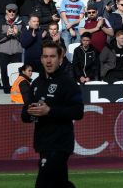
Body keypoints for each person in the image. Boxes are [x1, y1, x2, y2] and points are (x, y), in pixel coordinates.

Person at [20, 41, 84, 188]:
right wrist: (31, 112)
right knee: (60, 184)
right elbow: (25, 114)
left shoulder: (68, 83)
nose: (48, 60)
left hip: (60, 143)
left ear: (60, 58)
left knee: (43, 184)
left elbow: (78, 112)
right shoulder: (36, 84)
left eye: (52, 56)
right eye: (45, 56)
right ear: (41, 59)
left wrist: (50, 111)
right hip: (42, 142)